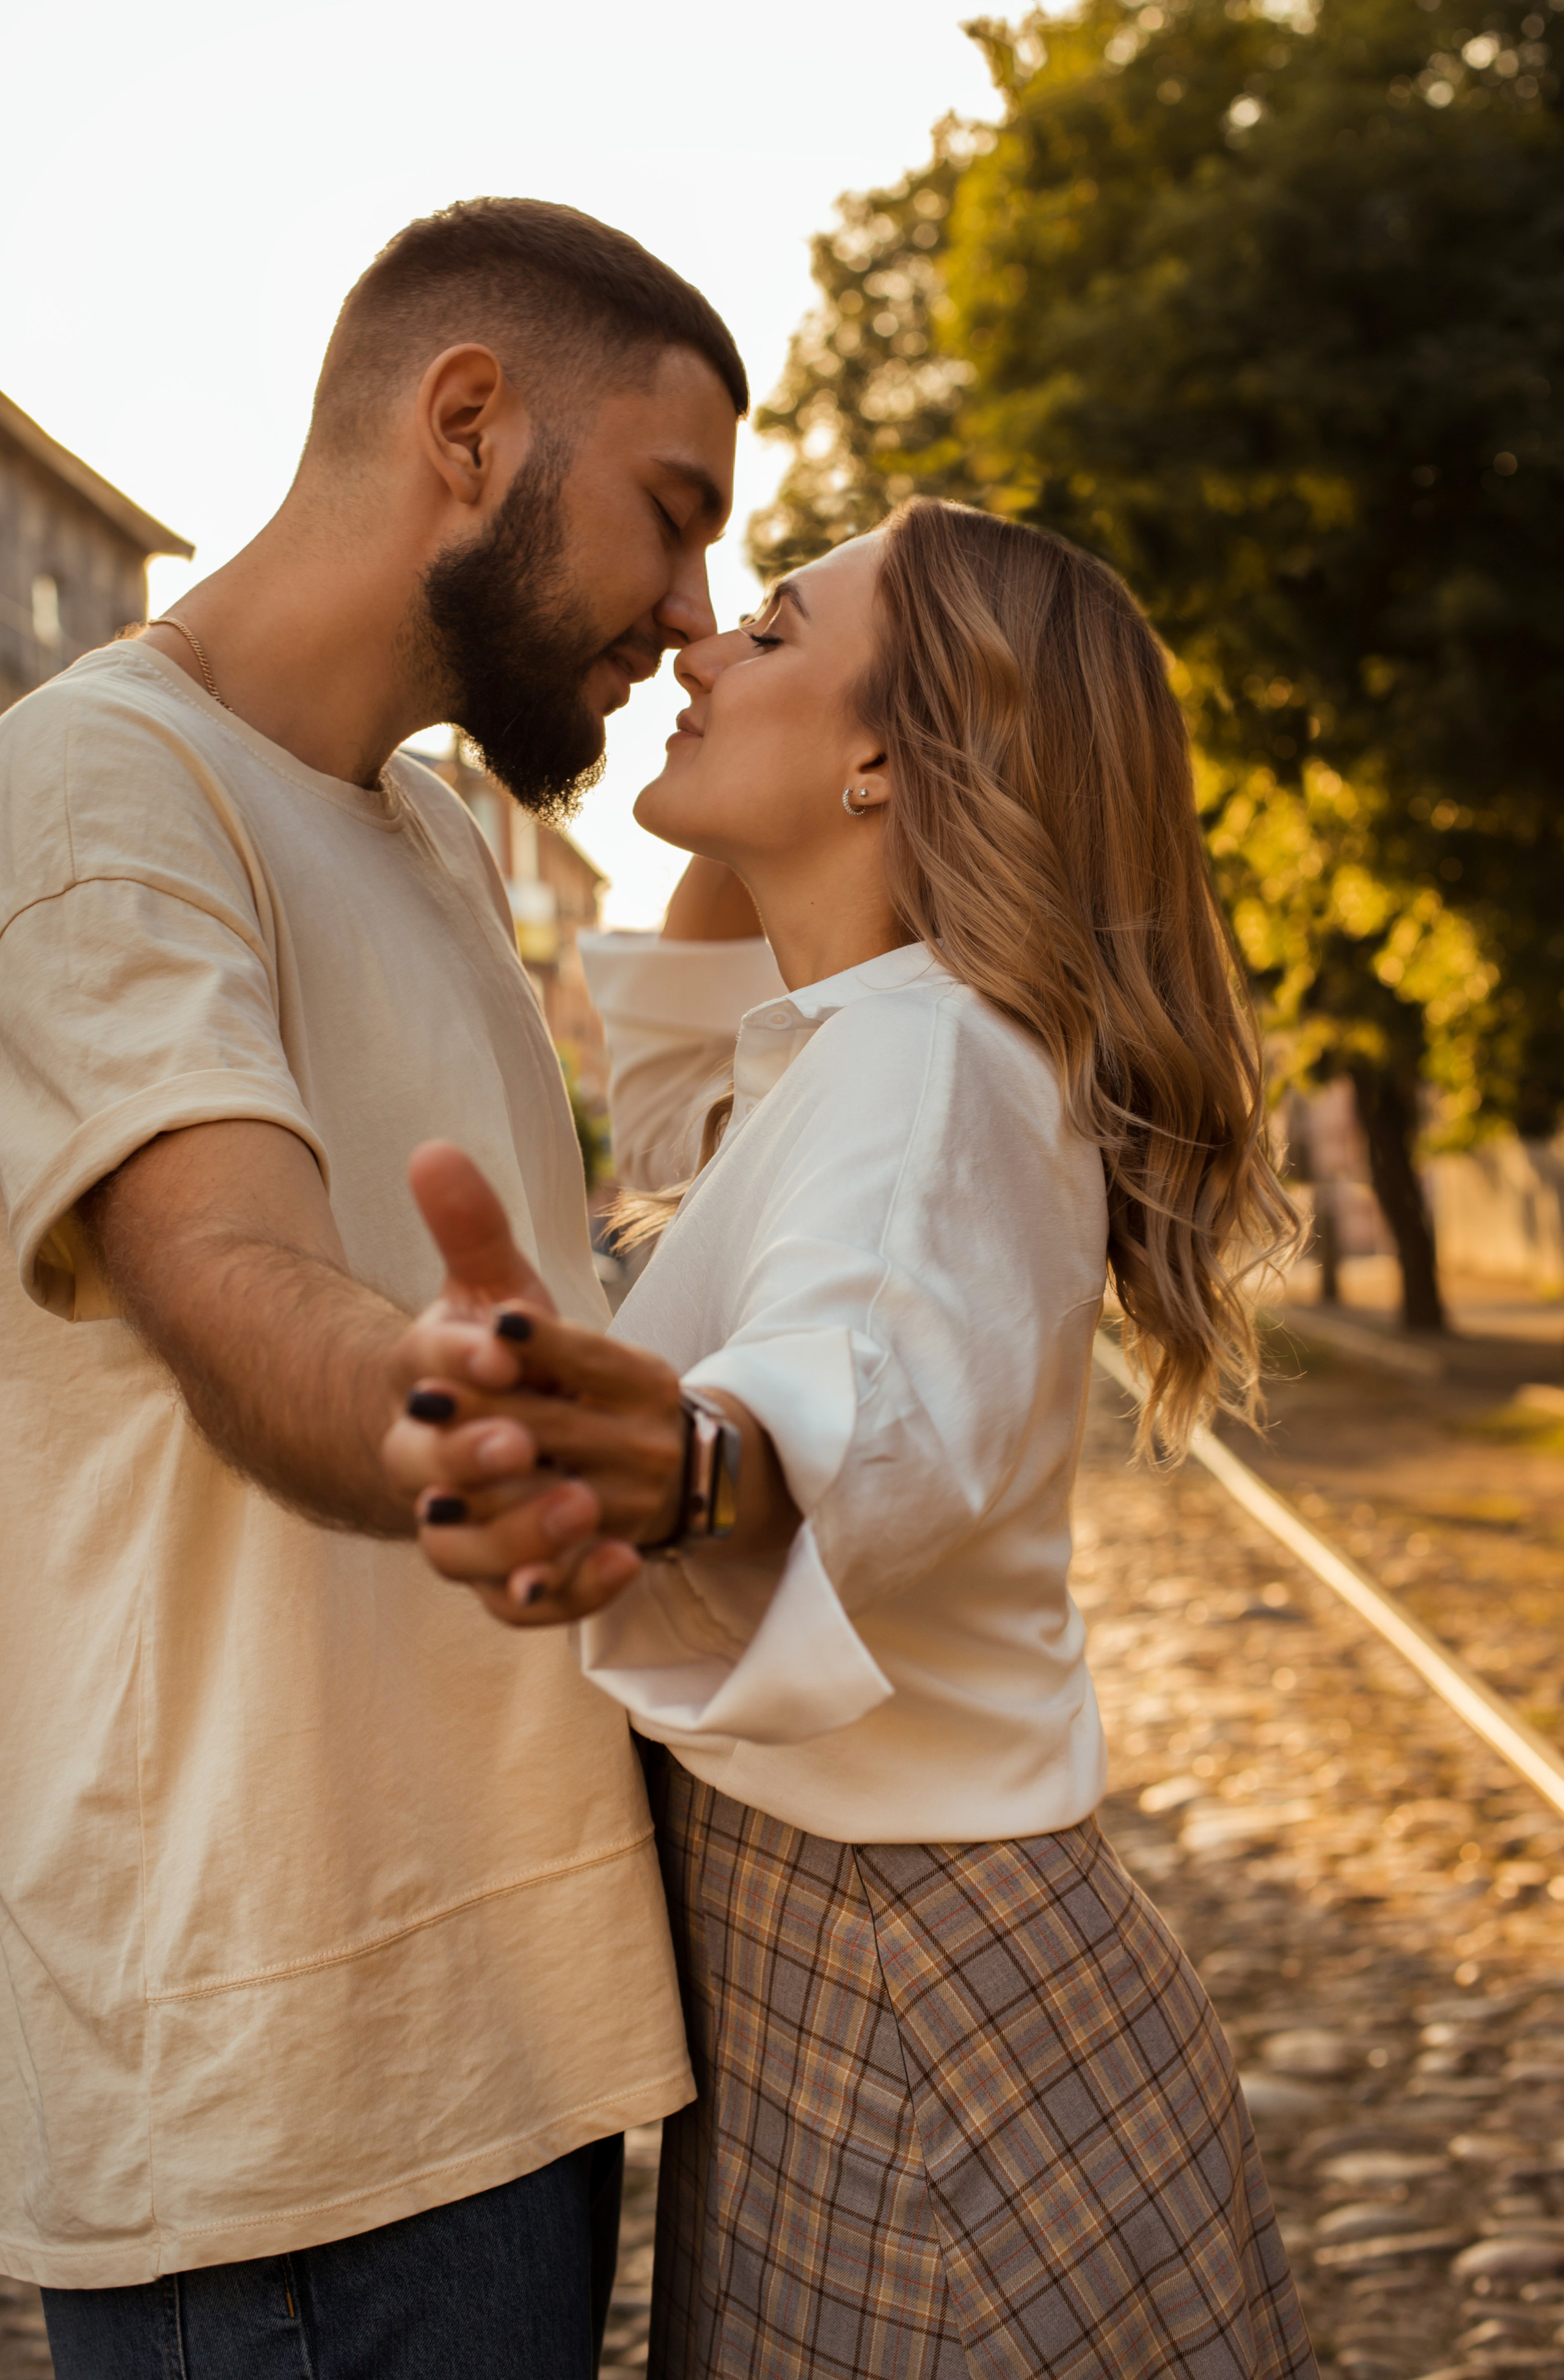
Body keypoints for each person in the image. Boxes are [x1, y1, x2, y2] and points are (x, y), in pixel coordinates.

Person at [392, 499, 1318, 2377]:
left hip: (923, 2003)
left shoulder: (929, 1065)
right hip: (895, 1976)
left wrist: (700, 1465)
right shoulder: (867, 1039)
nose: (700, 644)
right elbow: (684, 1116)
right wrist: (758, 760)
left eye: (774, 627)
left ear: (892, 753)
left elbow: (857, 1384)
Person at [0, 196, 749, 2377]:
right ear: (467, 422)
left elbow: (499, 1266)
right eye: (672, 516)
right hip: (293, 2094)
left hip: (492, 2027)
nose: (690, 613)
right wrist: (458, 1414)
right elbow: (225, 1268)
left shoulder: (418, 826)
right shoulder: (97, 794)